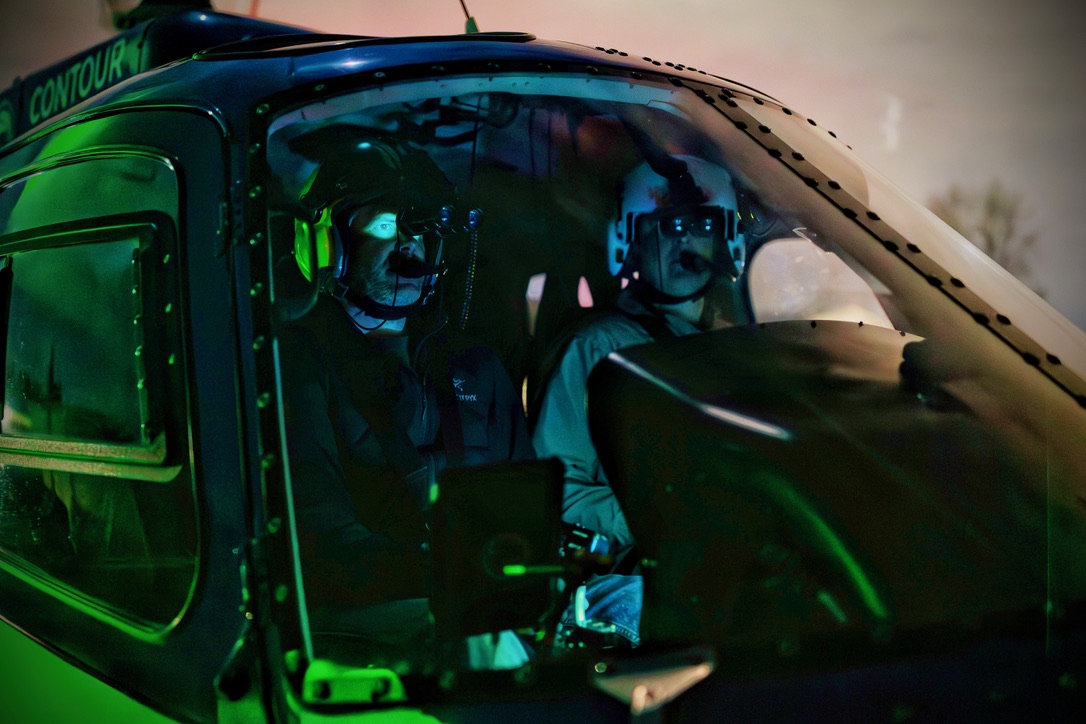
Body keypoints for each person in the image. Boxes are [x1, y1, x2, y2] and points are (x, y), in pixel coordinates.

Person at [278, 138, 534, 664]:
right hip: (355, 624)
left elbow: (526, 511)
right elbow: (324, 544)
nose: (408, 246)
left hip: (481, 606)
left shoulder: (475, 367)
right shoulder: (299, 367)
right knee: (489, 651)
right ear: (327, 243)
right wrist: (456, 577)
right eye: (384, 225)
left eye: (423, 230)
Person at [531, 155, 749, 647]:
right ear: (630, 239)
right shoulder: (600, 346)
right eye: (665, 227)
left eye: (698, 226)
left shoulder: (740, 347)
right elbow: (557, 491)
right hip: (627, 574)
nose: (682, 241)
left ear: (724, 237)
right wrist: (670, 522)